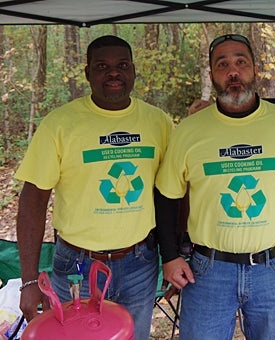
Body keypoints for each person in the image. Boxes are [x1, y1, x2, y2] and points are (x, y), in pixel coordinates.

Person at [154, 34, 275, 339]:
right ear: (211, 74)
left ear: (255, 69)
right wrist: (169, 255)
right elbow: (167, 194)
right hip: (208, 270)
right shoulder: (190, 130)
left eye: (241, 62)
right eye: (223, 64)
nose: (233, 71)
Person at [15, 35, 173, 340]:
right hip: (77, 263)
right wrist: (29, 281)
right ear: (87, 73)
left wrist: (175, 254)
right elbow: (32, 202)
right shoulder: (60, 124)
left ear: (133, 71)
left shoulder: (158, 122)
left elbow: (172, 194)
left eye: (122, 65)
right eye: (102, 66)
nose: (113, 73)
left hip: (140, 262)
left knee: (132, 336)